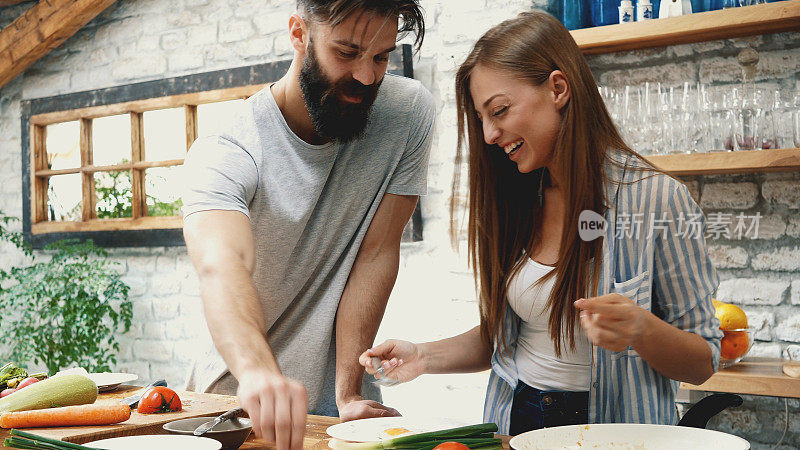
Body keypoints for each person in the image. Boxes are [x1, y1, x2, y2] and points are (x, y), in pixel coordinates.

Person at [360, 11, 722, 435]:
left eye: (499, 111)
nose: (490, 135)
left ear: (558, 88)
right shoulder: (515, 198)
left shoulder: (657, 199)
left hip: (615, 432)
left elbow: (703, 362)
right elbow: (504, 337)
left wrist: (642, 329)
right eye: (481, 119)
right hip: (516, 423)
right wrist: (421, 356)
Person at [180, 1, 432, 448]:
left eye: (380, 56)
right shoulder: (227, 146)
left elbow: (375, 252)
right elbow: (221, 263)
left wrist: (348, 391)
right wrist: (259, 374)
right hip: (236, 408)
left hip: (340, 416)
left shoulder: (407, 115)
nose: (367, 76)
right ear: (299, 34)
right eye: (346, 52)